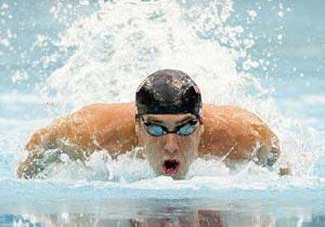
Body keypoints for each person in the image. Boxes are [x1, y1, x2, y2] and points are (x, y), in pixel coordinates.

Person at [17, 69, 283, 179]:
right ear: (136, 126)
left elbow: (275, 159)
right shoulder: (96, 135)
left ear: (202, 125)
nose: (170, 145)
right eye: (155, 128)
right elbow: (41, 143)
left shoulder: (243, 136)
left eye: (186, 127)